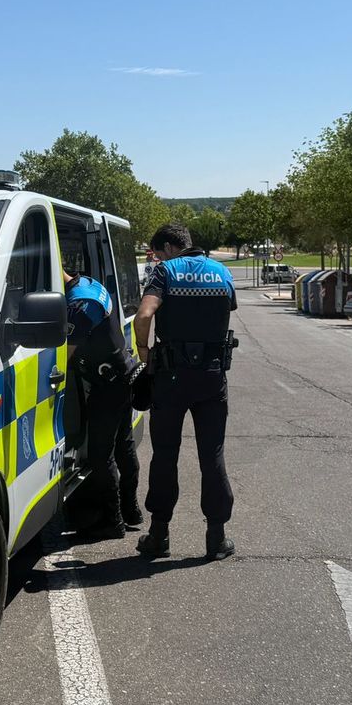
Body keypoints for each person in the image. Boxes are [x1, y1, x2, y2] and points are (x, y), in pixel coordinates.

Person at [133, 221, 237, 560]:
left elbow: (144, 314)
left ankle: (159, 535)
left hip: (171, 377)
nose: (158, 258)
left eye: (159, 253)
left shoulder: (166, 272)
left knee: (165, 455)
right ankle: (216, 538)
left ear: (169, 248)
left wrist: (144, 352)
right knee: (213, 454)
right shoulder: (221, 273)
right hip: (211, 376)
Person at [64, 267, 142, 538]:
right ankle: (131, 511)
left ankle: (113, 522)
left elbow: (64, 356)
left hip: (107, 385)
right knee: (124, 446)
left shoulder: (81, 303)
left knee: (100, 455)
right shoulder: (88, 284)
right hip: (121, 376)